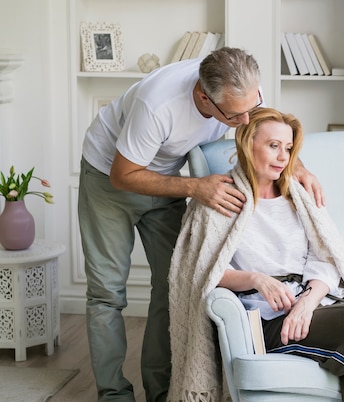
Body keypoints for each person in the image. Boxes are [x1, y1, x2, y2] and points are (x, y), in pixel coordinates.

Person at [78, 47, 322, 402]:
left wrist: (294, 165)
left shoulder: (242, 93)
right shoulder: (157, 105)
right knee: (107, 294)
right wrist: (194, 187)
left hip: (164, 177)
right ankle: (114, 395)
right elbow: (123, 174)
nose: (245, 120)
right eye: (236, 115)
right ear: (203, 98)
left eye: (251, 107)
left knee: (172, 287)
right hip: (109, 176)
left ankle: (163, 392)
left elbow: (267, 131)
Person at [167, 107, 344, 402]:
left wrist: (308, 303)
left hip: (315, 306)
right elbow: (200, 272)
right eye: (273, 146)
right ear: (248, 143)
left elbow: (325, 258)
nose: (284, 157)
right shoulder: (217, 200)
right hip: (269, 322)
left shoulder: (298, 195)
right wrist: (258, 279)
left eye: (287, 148)